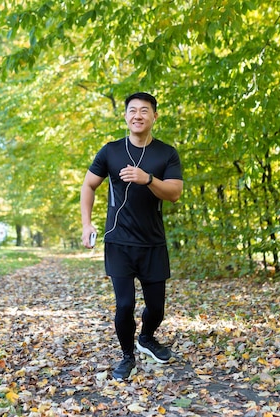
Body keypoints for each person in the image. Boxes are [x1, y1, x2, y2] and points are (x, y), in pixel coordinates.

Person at [80, 92, 183, 381]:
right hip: (118, 241)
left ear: (154, 117)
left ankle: (147, 337)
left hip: (153, 242)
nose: (138, 115)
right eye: (132, 110)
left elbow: (175, 193)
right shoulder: (110, 151)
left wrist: (147, 179)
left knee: (157, 308)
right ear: (125, 116)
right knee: (124, 305)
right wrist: (86, 224)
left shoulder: (166, 153)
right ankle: (127, 356)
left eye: (144, 111)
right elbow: (88, 186)